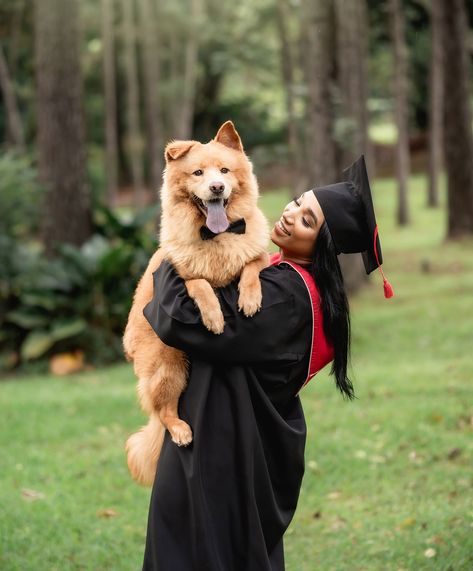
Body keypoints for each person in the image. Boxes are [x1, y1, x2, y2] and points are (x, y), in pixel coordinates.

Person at [141, 156, 393, 571]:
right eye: (297, 201)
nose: (291, 213)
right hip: (238, 448)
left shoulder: (284, 295)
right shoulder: (293, 283)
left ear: (323, 245)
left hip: (218, 452)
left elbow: (179, 317)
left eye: (308, 220)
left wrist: (176, 249)